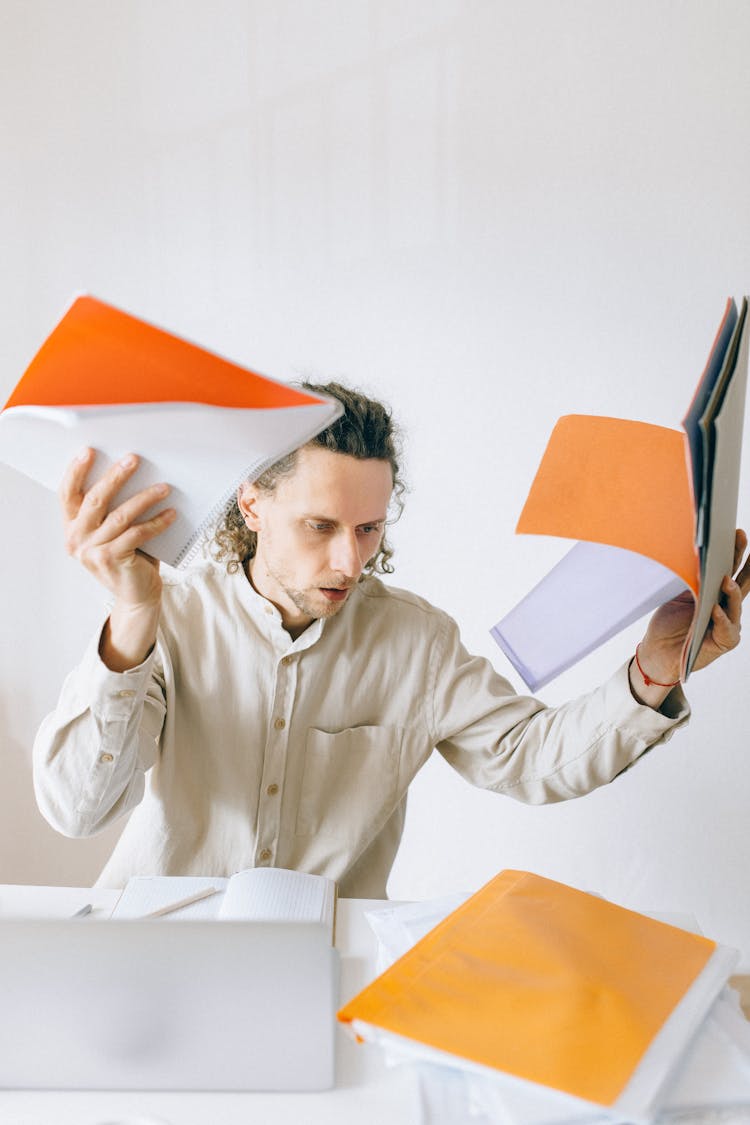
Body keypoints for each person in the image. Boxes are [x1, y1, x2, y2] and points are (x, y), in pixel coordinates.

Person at [33, 383, 750, 896]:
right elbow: (78, 808)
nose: (350, 560)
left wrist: (654, 671)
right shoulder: (172, 618)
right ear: (252, 503)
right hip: (158, 962)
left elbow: (532, 760)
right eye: (322, 526)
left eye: (369, 528)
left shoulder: (417, 641)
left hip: (326, 974)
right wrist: (131, 619)